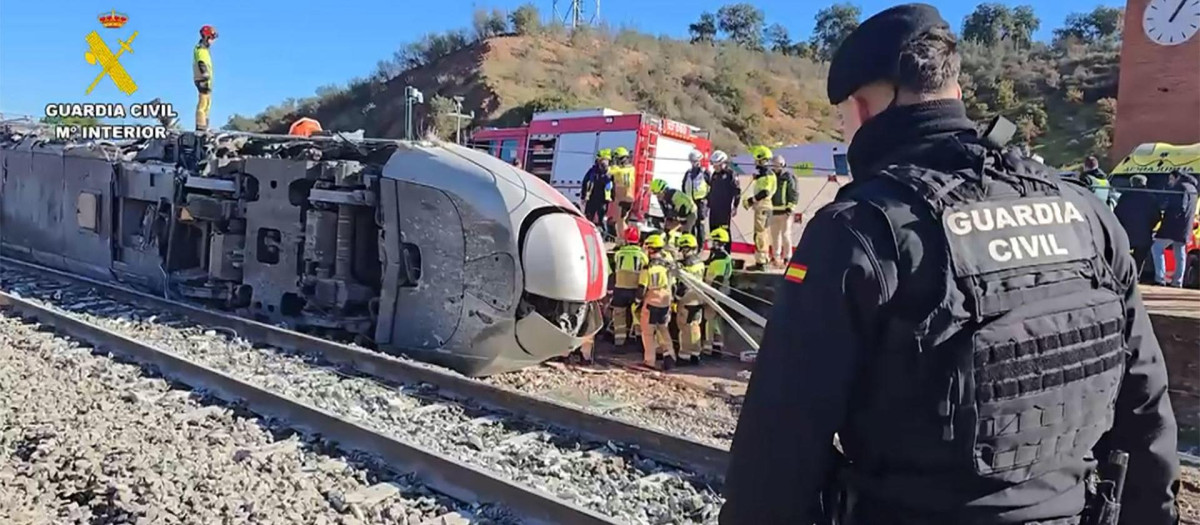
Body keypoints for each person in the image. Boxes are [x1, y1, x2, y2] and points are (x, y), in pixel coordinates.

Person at [721, 5, 1180, 525]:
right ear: (955, 94)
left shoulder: (857, 229)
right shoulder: (1087, 213)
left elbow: (781, 445)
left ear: (863, 110)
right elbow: (1144, 406)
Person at [1153, 170, 1199, 287]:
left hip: (1172, 226)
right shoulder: (1193, 189)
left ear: (1176, 177)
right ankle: (1177, 281)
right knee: (1180, 253)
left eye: (1171, 178)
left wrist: (1167, 214)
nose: (1170, 181)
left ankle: (1160, 278)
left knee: (1156, 247)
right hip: (1185, 227)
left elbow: (1180, 207)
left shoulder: (1180, 188)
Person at [638, 233, 675, 370]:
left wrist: (637, 301)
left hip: (651, 302)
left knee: (648, 333)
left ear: (651, 249)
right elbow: (674, 285)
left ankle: (649, 361)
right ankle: (670, 356)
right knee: (663, 330)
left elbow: (642, 288)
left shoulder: (648, 268)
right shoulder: (667, 266)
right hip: (665, 301)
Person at [1114, 174, 1163, 280]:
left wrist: (1122, 225)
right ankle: (1135, 277)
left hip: (1126, 233)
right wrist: (1150, 226)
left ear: (1132, 183)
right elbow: (1157, 216)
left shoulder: (1125, 196)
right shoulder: (1151, 197)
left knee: (1124, 256)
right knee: (1140, 259)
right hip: (1144, 234)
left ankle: (1123, 276)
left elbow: (1117, 213)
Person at [610, 227, 648, 347]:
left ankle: (619, 341)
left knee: (619, 315)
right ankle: (638, 341)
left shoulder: (619, 254)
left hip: (620, 288)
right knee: (637, 315)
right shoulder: (642, 255)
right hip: (635, 289)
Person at [742, 146, 777, 271]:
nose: (755, 162)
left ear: (761, 160)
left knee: (760, 234)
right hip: (764, 207)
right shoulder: (766, 175)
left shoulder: (766, 175)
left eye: (757, 160)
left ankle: (761, 262)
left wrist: (751, 200)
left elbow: (765, 192)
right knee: (763, 234)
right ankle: (762, 260)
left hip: (763, 207)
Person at [673, 233, 706, 365]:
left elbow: (683, 285)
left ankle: (684, 356)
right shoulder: (700, 263)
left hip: (686, 300)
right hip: (698, 299)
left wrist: (676, 298)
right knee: (695, 327)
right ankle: (695, 354)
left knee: (685, 328)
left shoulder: (685, 266)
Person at [702, 226, 734, 357]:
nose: (711, 244)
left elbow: (718, 279)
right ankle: (717, 345)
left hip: (716, 292)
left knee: (709, 319)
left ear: (718, 242)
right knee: (715, 320)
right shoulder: (719, 256)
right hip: (721, 291)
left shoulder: (720, 259)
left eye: (713, 241)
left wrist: (710, 294)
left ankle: (708, 348)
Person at [767, 154, 799, 268]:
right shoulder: (771, 177)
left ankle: (788, 257)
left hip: (785, 212)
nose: (775, 168)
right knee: (774, 236)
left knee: (785, 235)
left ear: (782, 165)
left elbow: (794, 193)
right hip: (773, 211)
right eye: (773, 165)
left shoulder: (788, 177)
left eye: (777, 165)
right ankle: (776, 258)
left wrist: (790, 208)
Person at [682, 149, 712, 246]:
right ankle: (692, 244)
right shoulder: (688, 173)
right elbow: (683, 186)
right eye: (692, 161)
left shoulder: (705, 173)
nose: (694, 163)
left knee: (700, 224)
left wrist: (707, 199)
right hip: (690, 202)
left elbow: (712, 187)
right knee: (691, 224)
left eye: (695, 161)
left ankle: (700, 245)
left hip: (701, 202)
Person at [707, 150, 740, 236]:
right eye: (714, 165)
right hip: (714, 209)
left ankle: (725, 249)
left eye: (716, 165)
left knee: (724, 231)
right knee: (713, 230)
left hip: (724, 209)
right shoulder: (714, 175)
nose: (714, 168)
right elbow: (712, 190)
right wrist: (708, 204)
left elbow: (737, 191)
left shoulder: (731, 174)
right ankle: (714, 248)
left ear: (722, 163)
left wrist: (735, 206)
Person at [193, 25, 218, 132]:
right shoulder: (200, 49)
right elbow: (201, 61)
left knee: (207, 103)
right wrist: (204, 73)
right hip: (202, 79)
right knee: (203, 103)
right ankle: (201, 126)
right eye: (212, 38)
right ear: (206, 37)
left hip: (207, 80)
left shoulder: (205, 50)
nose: (213, 41)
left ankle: (205, 125)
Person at [581, 149, 613, 232]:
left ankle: (604, 236)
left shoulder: (611, 172)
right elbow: (585, 182)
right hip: (592, 198)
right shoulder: (593, 171)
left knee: (602, 220)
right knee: (588, 218)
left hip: (603, 200)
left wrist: (612, 197)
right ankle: (587, 232)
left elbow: (614, 186)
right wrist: (583, 196)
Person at [609, 147, 637, 244]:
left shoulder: (622, 170)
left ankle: (623, 240)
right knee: (620, 221)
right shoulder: (630, 169)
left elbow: (611, 171)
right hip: (625, 198)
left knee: (620, 221)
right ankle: (623, 239)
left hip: (624, 198)